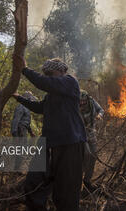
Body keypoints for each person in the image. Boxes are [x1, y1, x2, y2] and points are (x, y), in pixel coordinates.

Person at [12, 56, 87, 211]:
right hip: (49, 143)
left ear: (61, 71)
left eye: (49, 74)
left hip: (70, 144)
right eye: (45, 74)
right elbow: (40, 108)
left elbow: (44, 83)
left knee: (66, 192)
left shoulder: (70, 82)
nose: (47, 77)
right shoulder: (51, 95)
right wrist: (19, 98)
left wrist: (25, 69)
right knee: (33, 184)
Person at [79, 90, 104, 190]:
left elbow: (101, 110)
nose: (82, 103)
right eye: (80, 101)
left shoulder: (91, 102)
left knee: (93, 155)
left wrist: (99, 115)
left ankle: (87, 180)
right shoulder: (74, 104)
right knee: (87, 154)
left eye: (83, 101)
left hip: (92, 132)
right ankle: (79, 177)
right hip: (81, 134)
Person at [11, 91, 36, 170]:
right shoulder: (21, 107)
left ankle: (18, 168)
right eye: (30, 99)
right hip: (20, 130)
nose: (31, 101)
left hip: (23, 129)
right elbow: (16, 120)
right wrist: (14, 133)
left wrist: (31, 132)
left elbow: (27, 122)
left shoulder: (27, 108)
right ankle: (17, 169)